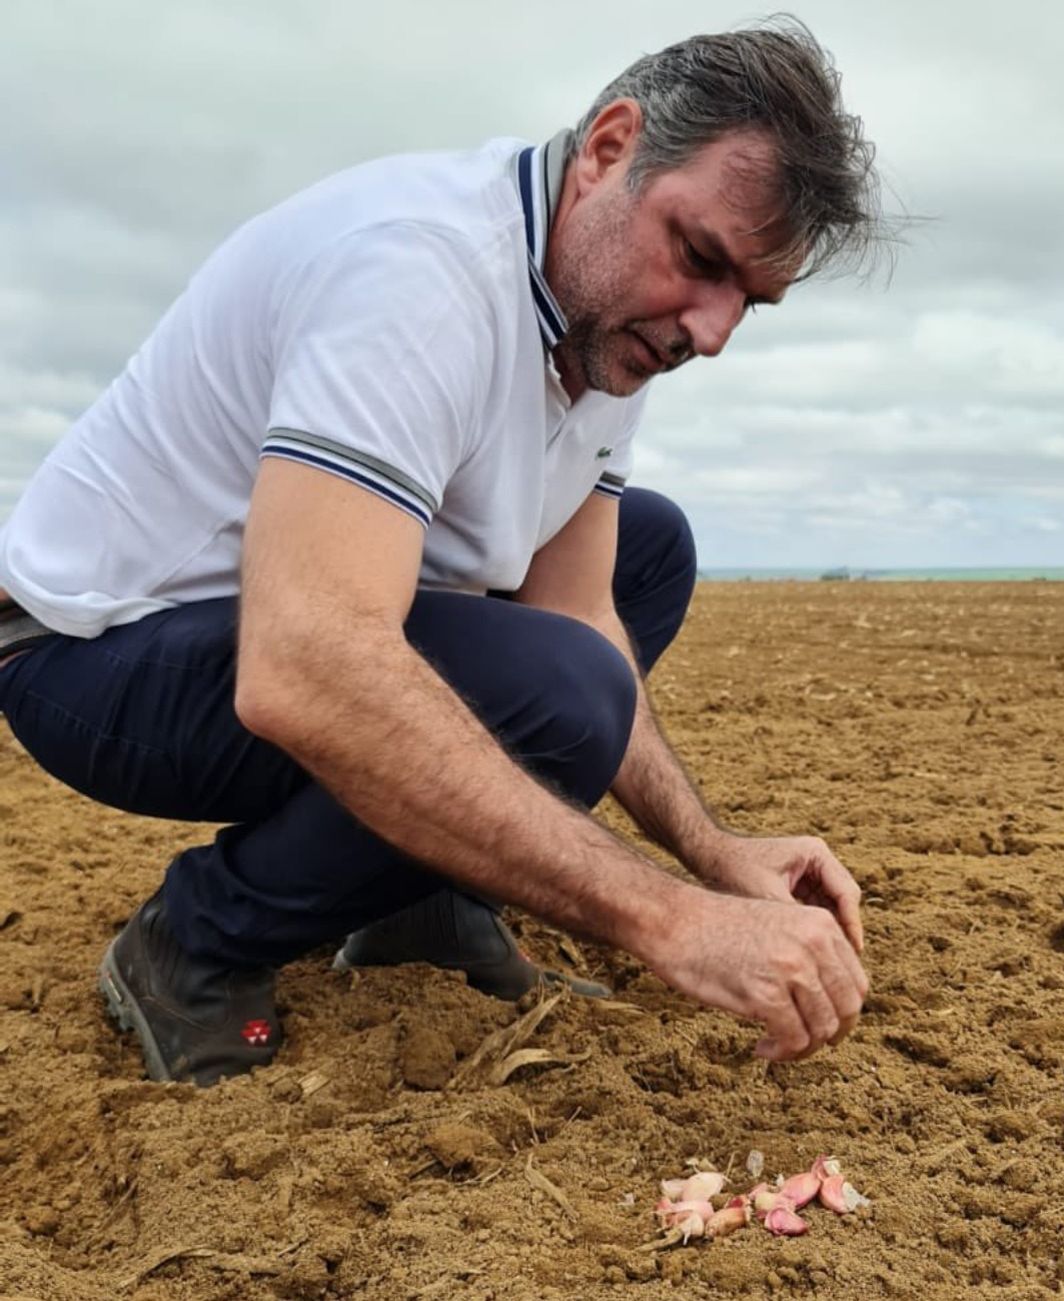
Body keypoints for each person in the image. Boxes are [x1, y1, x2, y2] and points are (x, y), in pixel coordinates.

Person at [0, 19, 883, 1087]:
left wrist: (713, 850)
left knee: (647, 552)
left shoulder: (606, 331)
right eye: (700, 257)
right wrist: (666, 914)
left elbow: (582, 608)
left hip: (276, 620)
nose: (712, 330)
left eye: (751, 298)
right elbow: (305, 664)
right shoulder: (422, 276)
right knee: (561, 693)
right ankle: (195, 940)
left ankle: (424, 896)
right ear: (608, 148)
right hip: (90, 651)